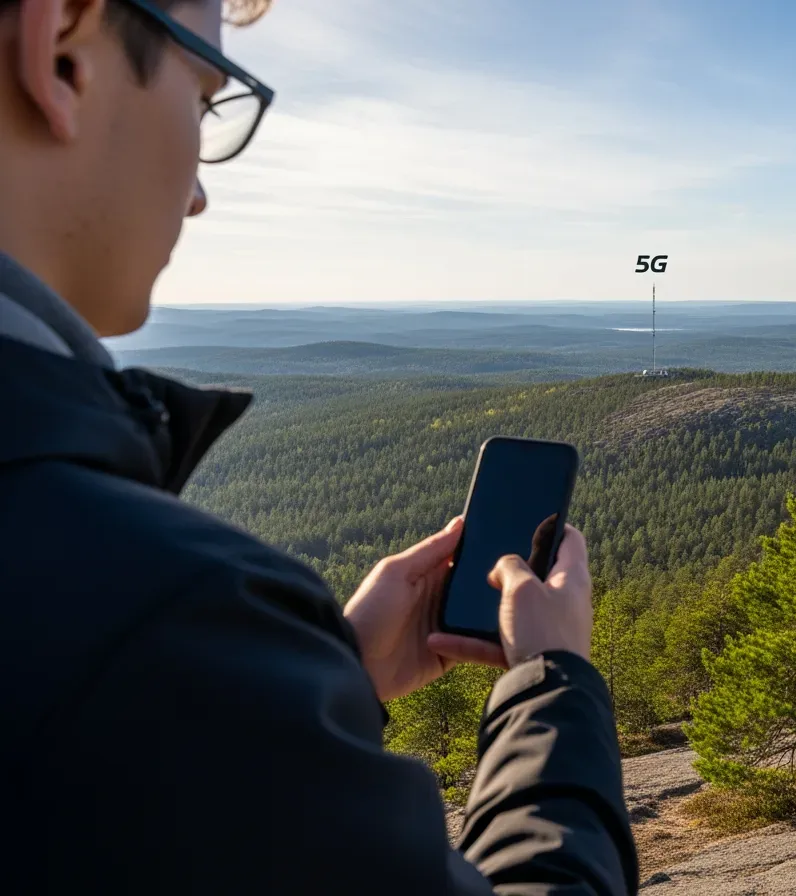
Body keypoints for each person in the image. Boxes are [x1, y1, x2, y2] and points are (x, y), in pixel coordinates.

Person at [0, 1, 638, 893]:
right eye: (208, 98)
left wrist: (320, 685)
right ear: (60, 49)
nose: (197, 191)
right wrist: (553, 681)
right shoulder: (151, 614)